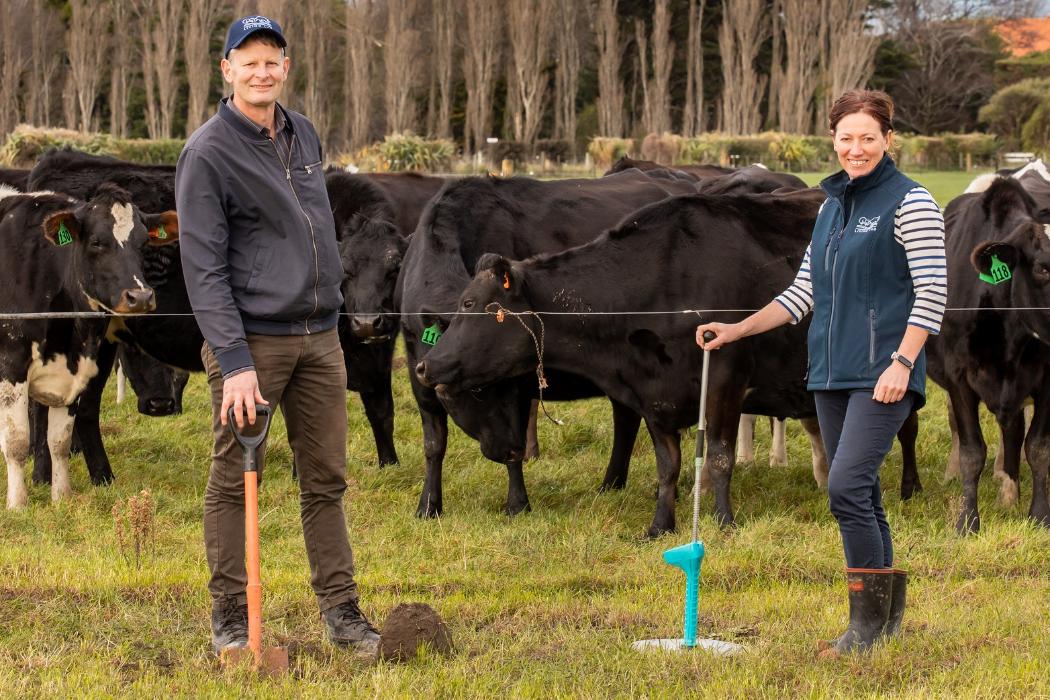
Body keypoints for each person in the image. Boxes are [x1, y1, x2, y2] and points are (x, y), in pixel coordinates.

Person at [696, 89, 946, 658]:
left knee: (845, 487)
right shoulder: (831, 208)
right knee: (863, 492)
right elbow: (802, 292)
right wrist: (737, 330)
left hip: (884, 371)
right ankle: (883, 624)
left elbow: (933, 292)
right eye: (845, 138)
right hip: (830, 373)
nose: (855, 148)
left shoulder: (913, 202)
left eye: (867, 137)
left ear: (888, 140)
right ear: (832, 141)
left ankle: (862, 628)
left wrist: (902, 364)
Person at [175, 15, 380, 659]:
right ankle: (232, 617)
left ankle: (342, 612)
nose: (262, 72)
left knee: (326, 480)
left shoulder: (302, 132)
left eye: (273, 60)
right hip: (253, 344)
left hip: (320, 336)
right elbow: (203, 268)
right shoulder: (208, 152)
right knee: (235, 477)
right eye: (249, 60)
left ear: (286, 68)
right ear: (226, 69)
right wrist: (234, 361)